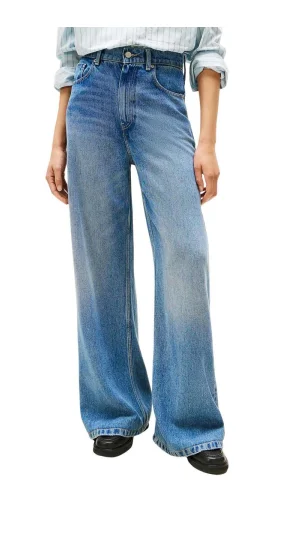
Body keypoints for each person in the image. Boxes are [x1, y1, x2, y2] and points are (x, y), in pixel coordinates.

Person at [46, 28, 229, 475]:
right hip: (90, 91)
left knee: (186, 252)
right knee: (99, 258)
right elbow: (69, 55)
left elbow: (207, 49)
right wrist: (57, 142)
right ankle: (114, 411)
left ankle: (190, 424)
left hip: (162, 88)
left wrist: (207, 143)